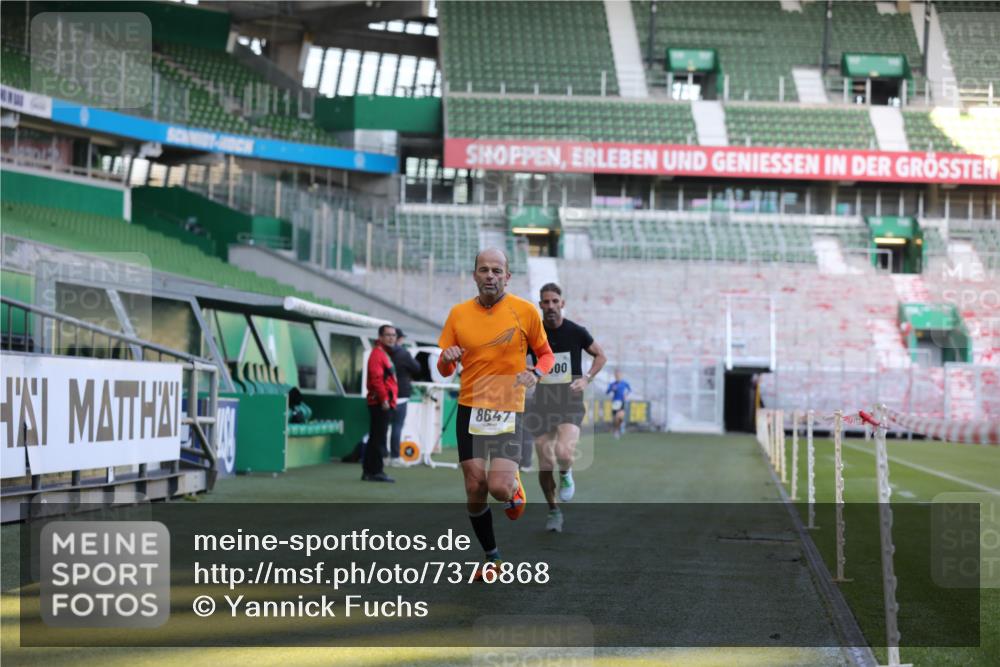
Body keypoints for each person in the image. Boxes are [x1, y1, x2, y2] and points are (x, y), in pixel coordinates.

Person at [437, 248, 555, 578]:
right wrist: (447, 357)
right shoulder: (458, 314)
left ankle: (513, 489)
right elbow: (444, 368)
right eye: (484, 270)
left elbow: (545, 354)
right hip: (470, 407)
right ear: (474, 275)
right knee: (475, 487)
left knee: (498, 487)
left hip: (508, 406)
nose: (490, 275)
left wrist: (536, 373)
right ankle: (492, 558)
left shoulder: (525, 311)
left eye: (496, 270)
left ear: (507, 276)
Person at [527, 283, 606, 532]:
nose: (550, 306)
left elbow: (600, 356)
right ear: (540, 305)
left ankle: (566, 475)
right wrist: (526, 371)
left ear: (562, 303)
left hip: (569, 400)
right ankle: (553, 510)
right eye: (546, 302)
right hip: (541, 403)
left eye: (554, 301)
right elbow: (518, 358)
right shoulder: (534, 333)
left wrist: (586, 378)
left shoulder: (576, 332)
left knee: (563, 452)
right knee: (545, 462)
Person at [363, 324, 398, 482]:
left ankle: (369, 471)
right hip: (380, 403)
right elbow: (376, 380)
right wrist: (384, 399)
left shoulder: (383, 353)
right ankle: (376, 471)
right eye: (388, 335)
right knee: (378, 438)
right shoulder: (377, 354)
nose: (391, 337)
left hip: (382, 402)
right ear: (380, 337)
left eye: (393, 335)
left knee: (375, 437)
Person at [389, 328, 421, 468]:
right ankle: (395, 457)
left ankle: (383, 455)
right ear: (399, 339)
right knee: (397, 426)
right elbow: (417, 368)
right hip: (400, 394)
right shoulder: (403, 353)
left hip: (385, 394)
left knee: (383, 428)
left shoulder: (383, 352)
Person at [606, 370, 632, 440]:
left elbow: (630, 390)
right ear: (615, 376)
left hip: (622, 402)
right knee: (616, 419)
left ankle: (620, 427)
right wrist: (611, 389)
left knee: (620, 416)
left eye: (619, 375)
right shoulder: (612, 384)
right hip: (615, 402)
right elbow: (607, 392)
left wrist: (626, 395)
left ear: (621, 375)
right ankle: (616, 430)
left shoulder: (624, 383)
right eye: (616, 375)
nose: (618, 376)